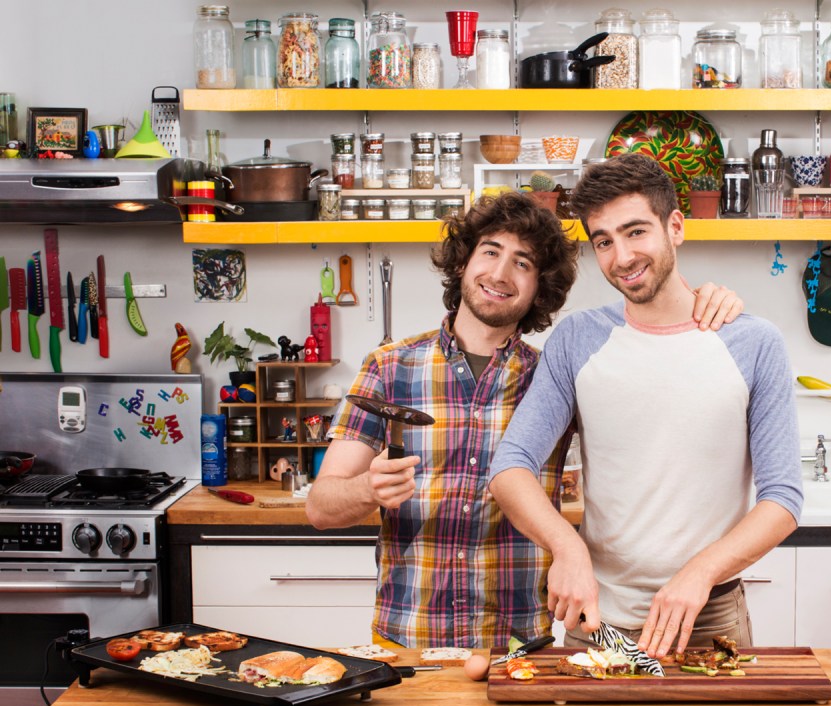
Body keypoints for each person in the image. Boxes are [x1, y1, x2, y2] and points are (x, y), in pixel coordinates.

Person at [306, 191, 744, 649]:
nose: (500, 274)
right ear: (463, 262)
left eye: (522, 263)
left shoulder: (556, 373)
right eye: (490, 252)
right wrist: (366, 489)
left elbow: (660, 398)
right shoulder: (388, 366)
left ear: (540, 286)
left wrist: (700, 301)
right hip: (406, 638)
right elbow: (320, 507)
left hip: (519, 648)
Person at [488, 155, 804, 658]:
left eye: (636, 232)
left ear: (675, 226)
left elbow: (783, 499)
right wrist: (566, 546)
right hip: (595, 620)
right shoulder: (577, 339)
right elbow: (510, 465)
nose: (622, 256)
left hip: (708, 619)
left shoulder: (753, 343)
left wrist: (700, 572)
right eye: (604, 241)